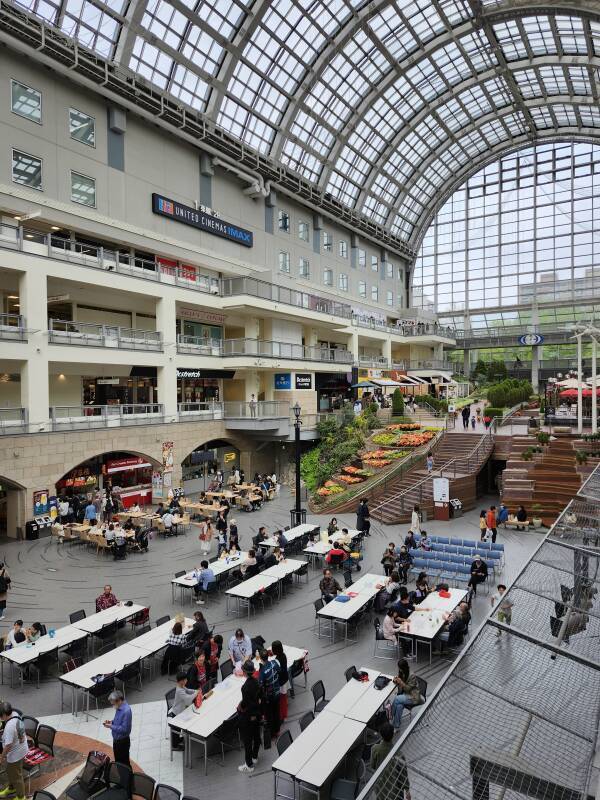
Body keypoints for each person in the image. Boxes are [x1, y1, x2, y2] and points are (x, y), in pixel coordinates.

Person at [0, 701, 28, 800]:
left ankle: (21, 797)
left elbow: (7, 746)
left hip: (15, 755)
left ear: (3, 715)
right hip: (21, 749)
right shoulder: (15, 714)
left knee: (17, 776)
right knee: (11, 771)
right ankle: (11, 788)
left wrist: (1, 757)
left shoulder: (9, 727)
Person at [238, 660, 261, 773]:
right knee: (256, 736)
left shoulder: (245, 687)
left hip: (249, 716)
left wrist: (240, 706)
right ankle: (255, 757)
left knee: (247, 741)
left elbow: (245, 703)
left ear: (245, 672)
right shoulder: (256, 682)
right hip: (257, 713)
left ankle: (249, 765)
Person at [390, 659, 421, 730]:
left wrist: (401, 682)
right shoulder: (402, 672)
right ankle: (396, 726)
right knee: (399, 706)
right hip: (405, 694)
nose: (399, 670)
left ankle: (390, 716)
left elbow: (408, 689)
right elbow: (400, 683)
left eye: (400, 668)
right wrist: (396, 680)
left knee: (397, 699)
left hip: (413, 697)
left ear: (403, 668)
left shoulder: (412, 675)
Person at [103, 690, 132, 769]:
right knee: (118, 762)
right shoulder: (119, 708)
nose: (113, 706)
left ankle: (127, 780)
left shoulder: (126, 711)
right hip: (117, 741)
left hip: (122, 742)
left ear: (119, 701)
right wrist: (111, 722)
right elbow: (118, 721)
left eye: (113, 704)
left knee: (124, 764)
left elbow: (124, 729)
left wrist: (111, 726)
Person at [258, 649, 280, 739]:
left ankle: (272, 733)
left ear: (260, 658)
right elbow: (279, 670)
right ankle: (277, 730)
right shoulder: (274, 662)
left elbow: (260, 685)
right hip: (277, 692)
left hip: (269, 696)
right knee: (276, 711)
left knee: (269, 714)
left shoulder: (262, 671)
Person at [271, 640, 289, 722]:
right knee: (284, 698)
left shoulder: (277, 660)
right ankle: (284, 715)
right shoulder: (283, 655)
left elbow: (275, 670)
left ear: (276, 650)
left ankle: (282, 716)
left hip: (280, 682)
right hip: (285, 679)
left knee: (281, 700)